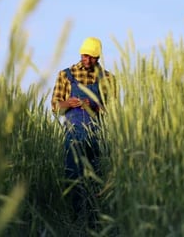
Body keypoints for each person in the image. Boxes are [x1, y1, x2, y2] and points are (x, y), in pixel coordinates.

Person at [50, 37, 115, 226]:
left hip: (97, 137)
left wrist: (93, 106)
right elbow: (55, 107)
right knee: (73, 176)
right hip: (73, 136)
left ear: (98, 57)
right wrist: (67, 104)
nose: (86, 59)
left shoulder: (108, 79)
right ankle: (75, 220)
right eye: (84, 55)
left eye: (91, 56)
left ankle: (96, 222)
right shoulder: (65, 75)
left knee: (96, 177)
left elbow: (113, 111)